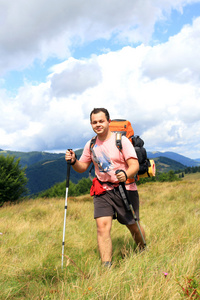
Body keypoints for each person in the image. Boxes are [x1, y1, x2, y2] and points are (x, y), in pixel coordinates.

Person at [65, 108, 145, 267]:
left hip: (125, 189)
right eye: (94, 122)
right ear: (91, 124)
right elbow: (82, 167)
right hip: (102, 190)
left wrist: (126, 174)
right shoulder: (91, 144)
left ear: (109, 122)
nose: (98, 124)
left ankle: (143, 250)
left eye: (101, 121)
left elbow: (134, 165)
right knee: (102, 227)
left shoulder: (121, 141)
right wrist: (73, 161)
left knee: (133, 225)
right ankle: (106, 266)